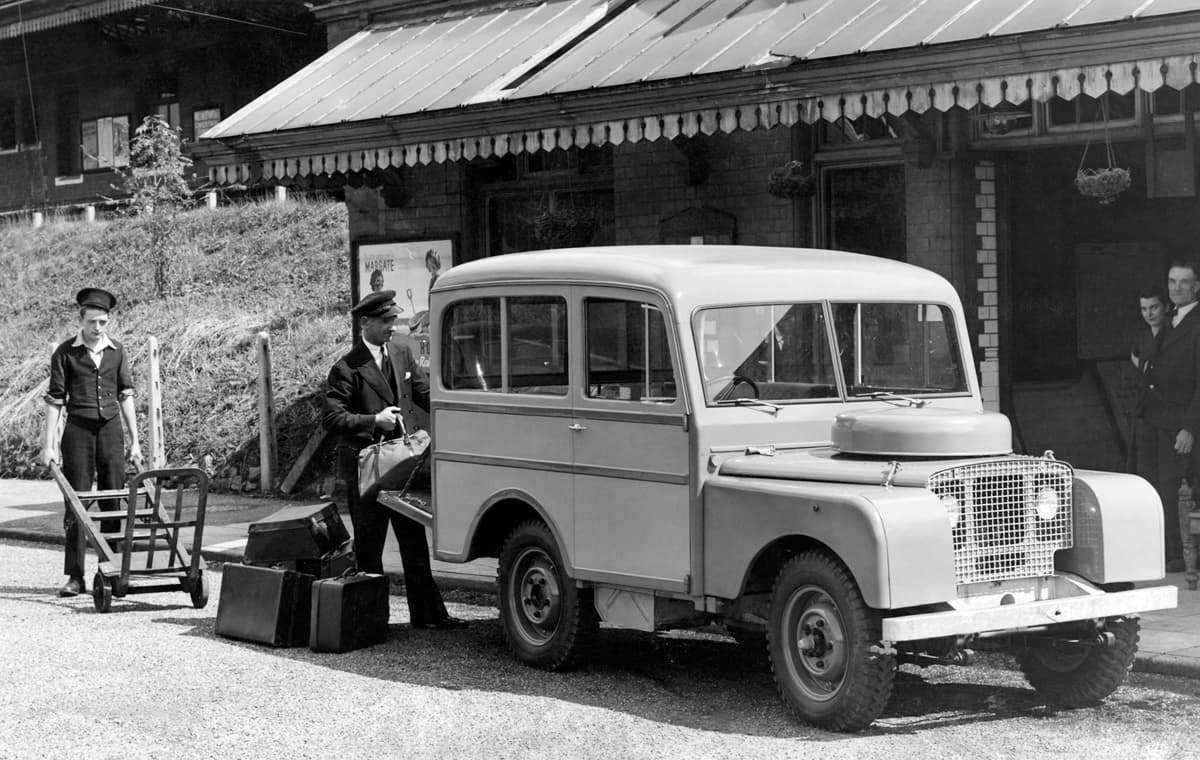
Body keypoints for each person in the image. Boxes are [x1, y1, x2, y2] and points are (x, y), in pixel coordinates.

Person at [322, 289, 465, 629]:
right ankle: (371, 621)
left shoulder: (401, 351)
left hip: (403, 466)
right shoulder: (346, 368)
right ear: (365, 323)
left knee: (414, 542)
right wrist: (374, 421)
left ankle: (428, 616)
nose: (391, 326)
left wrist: (458, 419)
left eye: (393, 320)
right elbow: (332, 420)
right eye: (385, 321)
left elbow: (425, 393)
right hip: (368, 470)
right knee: (370, 547)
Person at [39, 288, 143, 597]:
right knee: (76, 503)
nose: (98, 329)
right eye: (93, 322)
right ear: (81, 320)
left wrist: (136, 441)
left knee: (113, 501)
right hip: (78, 432)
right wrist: (49, 445)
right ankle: (75, 576)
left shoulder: (117, 350)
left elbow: (126, 396)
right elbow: (55, 401)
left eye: (103, 322)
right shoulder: (65, 353)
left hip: (111, 432)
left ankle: (109, 570)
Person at [1141, 260, 1200, 573]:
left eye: (1184, 282)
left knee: (1177, 490)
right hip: (1155, 419)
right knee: (1155, 488)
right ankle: (1166, 554)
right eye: (1172, 281)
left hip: (1181, 423)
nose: (1177, 288)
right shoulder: (1167, 319)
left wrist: (1190, 427)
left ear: (1196, 286)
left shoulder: (1196, 323)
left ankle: (1180, 556)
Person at [1128, 286, 1167, 475]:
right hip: (1144, 410)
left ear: (1165, 307)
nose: (1149, 314)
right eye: (1144, 309)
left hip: (1168, 410)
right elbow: (1135, 356)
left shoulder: (1174, 334)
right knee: (1143, 467)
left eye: (1154, 307)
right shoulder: (1142, 336)